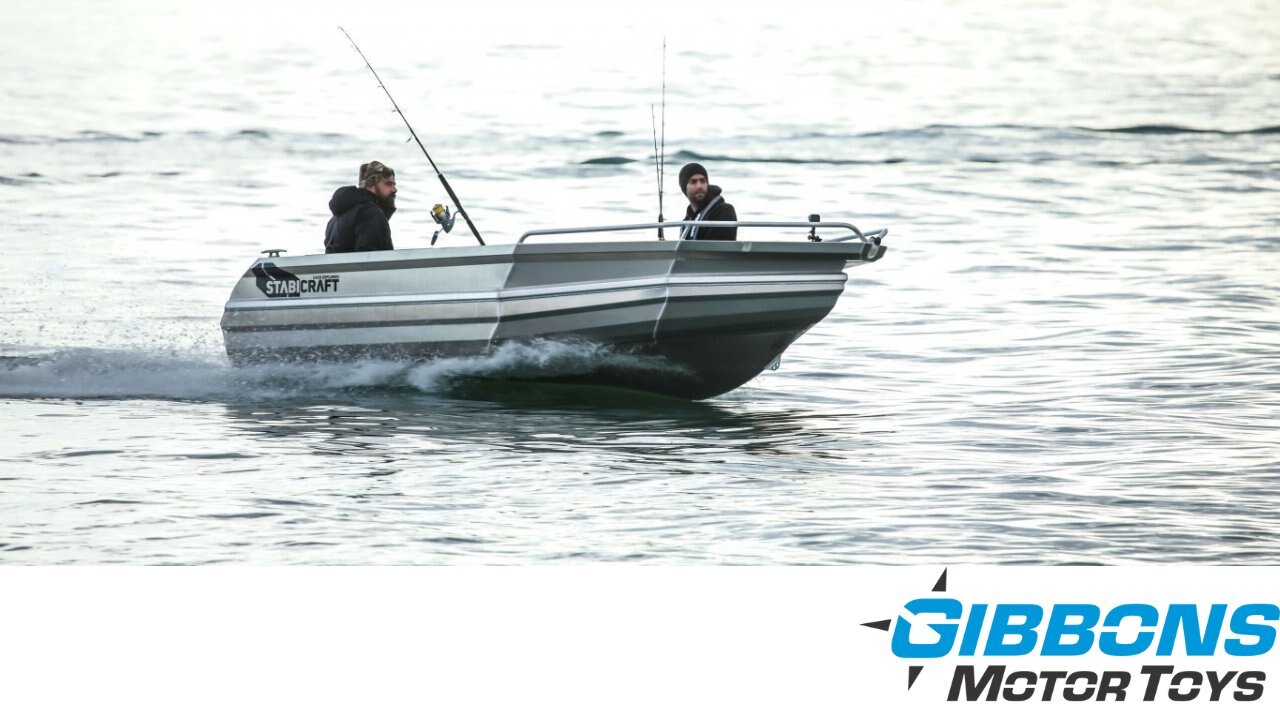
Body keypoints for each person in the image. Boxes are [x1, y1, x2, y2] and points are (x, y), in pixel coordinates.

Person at [324, 161, 398, 253]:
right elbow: (370, 258)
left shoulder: (336, 218)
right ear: (372, 183)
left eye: (394, 185)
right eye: (388, 184)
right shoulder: (370, 214)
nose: (394, 189)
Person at [678, 162, 737, 240]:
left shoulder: (724, 210)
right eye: (693, 182)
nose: (699, 186)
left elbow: (718, 246)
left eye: (703, 181)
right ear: (684, 188)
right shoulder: (687, 221)